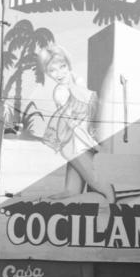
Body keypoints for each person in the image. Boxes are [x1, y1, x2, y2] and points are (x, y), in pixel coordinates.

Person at [37, 44, 115, 203]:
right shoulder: (61, 92)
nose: (59, 73)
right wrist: (94, 144)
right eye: (52, 70)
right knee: (102, 186)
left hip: (84, 139)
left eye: (62, 66)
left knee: (73, 190)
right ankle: (111, 208)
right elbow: (74, 126)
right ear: (47, 72)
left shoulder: (77, 81)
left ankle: (68, 193)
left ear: (68, 64)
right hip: (73, 142)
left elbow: (89, 110)